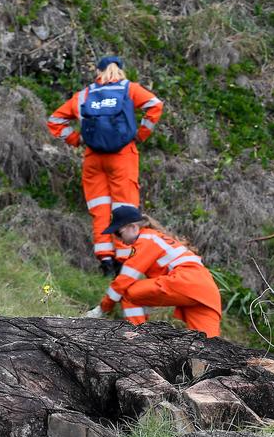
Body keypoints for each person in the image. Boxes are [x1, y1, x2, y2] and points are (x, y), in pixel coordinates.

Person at [47, 55, 164, 275]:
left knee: (100, 209)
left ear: (98, 72)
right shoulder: (129, 89)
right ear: (120, 70)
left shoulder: (84, 95)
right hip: (123, 156)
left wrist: (76, 139)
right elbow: (155, 105)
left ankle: (105, 262)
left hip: (93, 157)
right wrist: (141, 134)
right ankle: (124, 259)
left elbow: (54, 121)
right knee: (124, 207)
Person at [94, 206, 222, 337]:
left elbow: (124, 280)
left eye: (118, 233)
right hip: (206, 290)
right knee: (209, 345)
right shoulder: (155, 238)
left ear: (132, 227)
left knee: (127, 293)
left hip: (185, 282)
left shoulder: (146, 240)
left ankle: (136, 340)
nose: (119, 240)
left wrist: (102, 309)